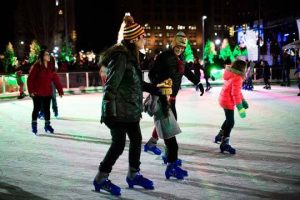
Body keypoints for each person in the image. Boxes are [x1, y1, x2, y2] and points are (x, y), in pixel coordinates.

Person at [93, 14, 160, 196]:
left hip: (129, 110)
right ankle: (101, 178)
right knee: (119, 144)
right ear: (134, 39)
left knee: (136, 140)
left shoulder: (131, 56)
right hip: (117, 111)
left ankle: (133, 175)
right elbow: (111, 85)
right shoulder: (121, 57)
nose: (145, 39)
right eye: (143, 36)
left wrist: (156, 89)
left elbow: (137, 83)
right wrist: (109, 111)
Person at [144, 32, 204, 164]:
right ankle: (168, 154)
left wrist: (198, 82)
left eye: (182, 47)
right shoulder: (164, 57)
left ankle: (155, 145)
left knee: (170, 125)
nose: (180, 49)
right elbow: (152, 73)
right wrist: (158, 87)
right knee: (169, 127)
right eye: (178, 46)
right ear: (173, 44)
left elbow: (186, 71)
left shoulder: (180, 58)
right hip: (163, 97)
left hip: (172, 98)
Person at [214, 59, 248, 154]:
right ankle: (224, 144)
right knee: (231, 122)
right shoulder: (238, 77)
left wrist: (243, 101)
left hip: (224, 99)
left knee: (228, 119)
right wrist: (240, 107)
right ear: (242, 68)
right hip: (228, 101)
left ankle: (220, 136)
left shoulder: (232, 74)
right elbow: (235, 94)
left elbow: (237, 92)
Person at [27, 50, 64, 135]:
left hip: (47, 92)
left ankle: (47, 125)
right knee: (36, 109)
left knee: (47, 110)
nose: (49, 56)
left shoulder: (51, 66)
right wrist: (31, 91)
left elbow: (55, 79)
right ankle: (34, 125)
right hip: (37, 93)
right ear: (42, 56)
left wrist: (60, 90)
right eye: (47, 55)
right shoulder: (36, 66)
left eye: (49, 54)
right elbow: (30, 79)